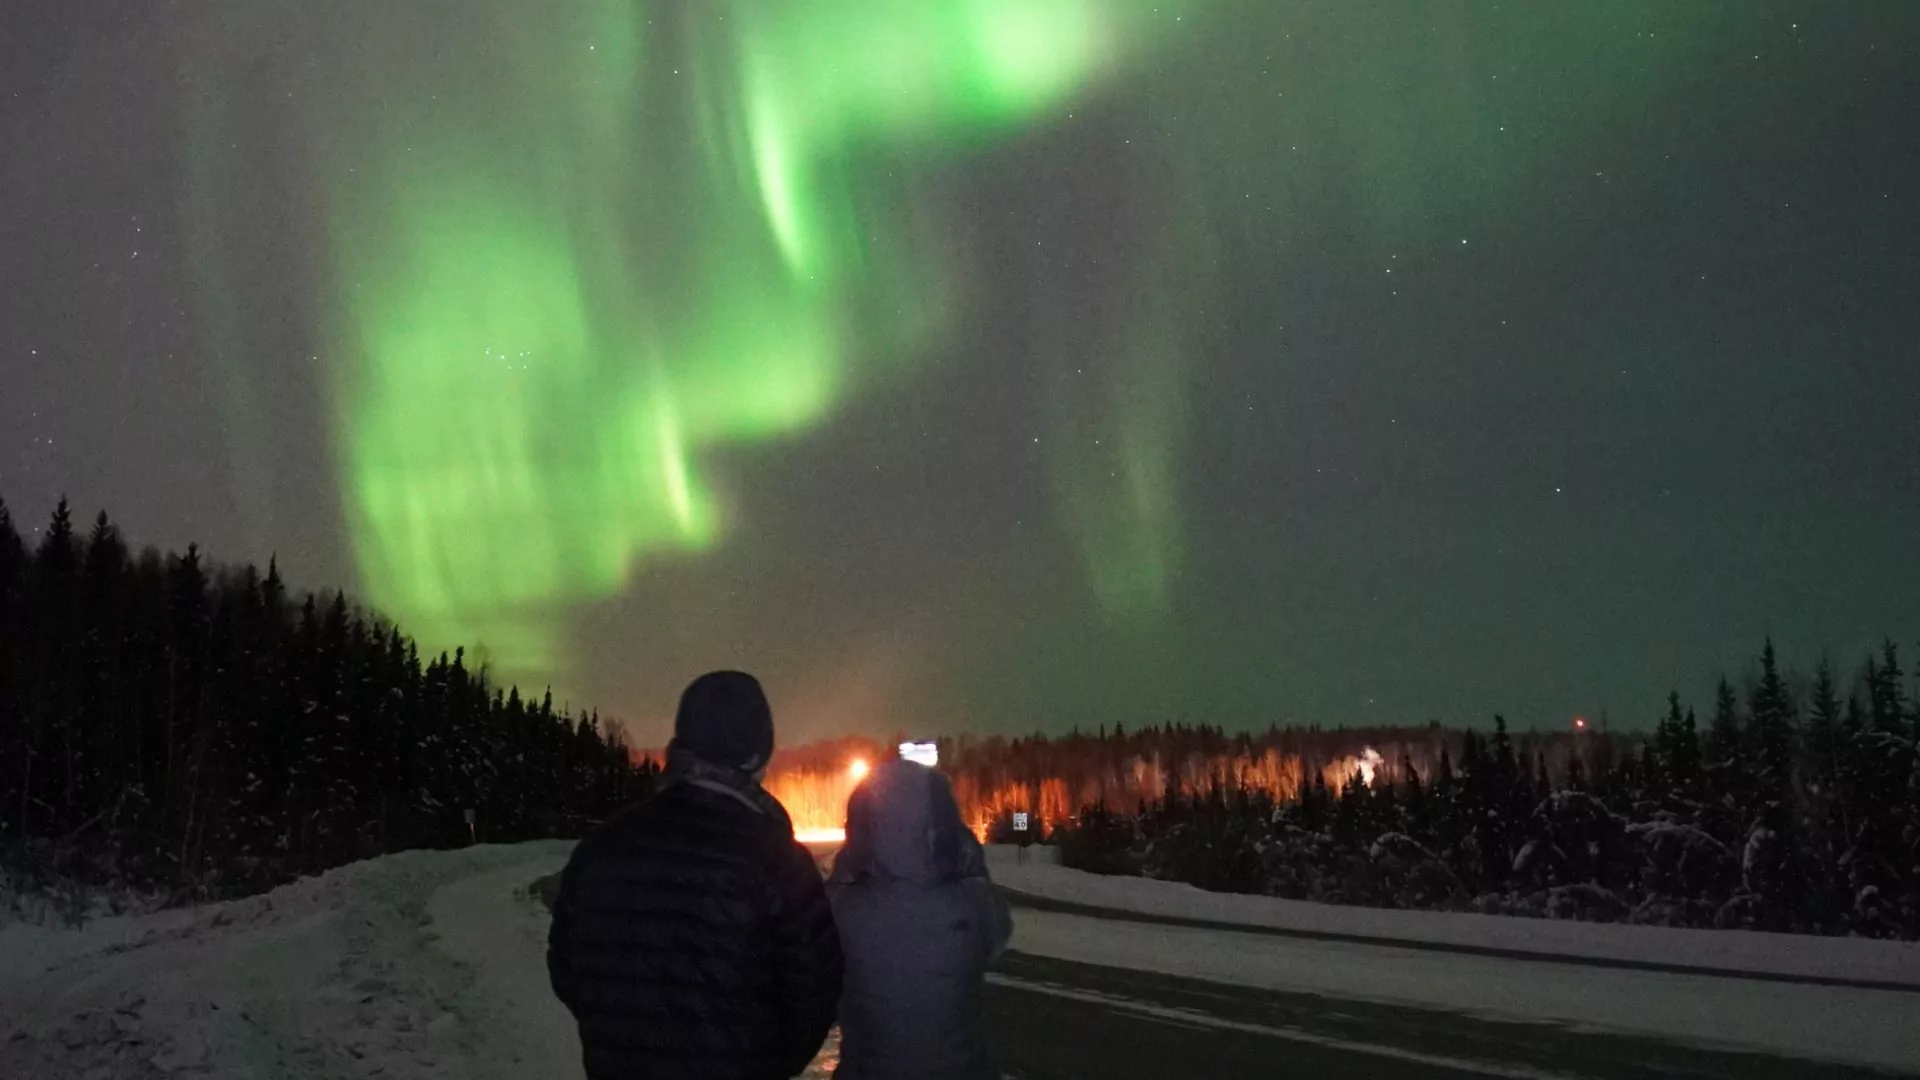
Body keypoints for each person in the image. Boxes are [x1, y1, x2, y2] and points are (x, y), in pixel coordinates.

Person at [547, 670, 843, 1080]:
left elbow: (568, 968)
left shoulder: (603, 846)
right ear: (757, 753)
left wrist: (621, 1035)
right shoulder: (778, 859)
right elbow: (814, 992)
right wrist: (768, 1062)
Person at [827, 758, 1014, 1080]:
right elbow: (997, 935)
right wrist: (967, 856)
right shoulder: (973, 903)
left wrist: (847, 865)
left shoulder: (840, 908)